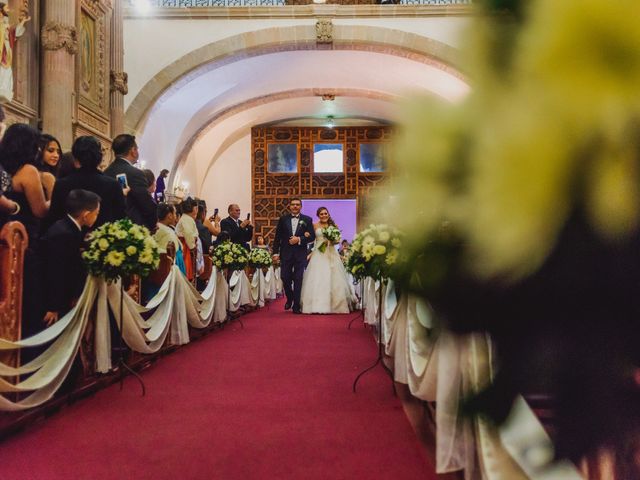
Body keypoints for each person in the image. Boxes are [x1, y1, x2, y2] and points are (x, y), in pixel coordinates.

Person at [42, 189, 100, 326]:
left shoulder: (68, 227)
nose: (97, 216)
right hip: (54, 299)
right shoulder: (65, 234)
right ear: (86, 215)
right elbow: (56, 271)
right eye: (96, 213)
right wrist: (53, 307)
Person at [45, 136, 125, 231]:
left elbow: (54, 218)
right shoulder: (112, 185)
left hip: (69, 241)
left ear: (75, 157)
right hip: (103, 241)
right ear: (100, 157)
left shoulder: (61, 184)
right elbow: (120, 218)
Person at [300, 207, 356, 314]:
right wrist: (306, 235)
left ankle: (336, 305)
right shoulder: (314, 225)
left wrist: (332, 240)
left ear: (328, 214)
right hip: (319, 253)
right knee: (319, 277)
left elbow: (337, 242)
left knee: (334, 278)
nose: (324, 215)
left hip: (331, 254)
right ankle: (317, 305)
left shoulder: (334, 227)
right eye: (321, 214)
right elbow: (312, 238)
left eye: (325, 213)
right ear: (318, 215)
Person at [272, 197, 315, 314]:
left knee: (298, 279)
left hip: (300, 254)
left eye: (297, 204)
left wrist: (299, 239)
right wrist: (275, 253)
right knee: (285, 277)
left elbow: (312, 237)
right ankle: (290, 297)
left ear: (301, 206)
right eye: (293, 204)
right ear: (290, 206)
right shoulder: (283, 219)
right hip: (285, 253)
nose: (295, 206)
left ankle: (296, 305)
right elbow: (277, 238)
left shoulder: (307, 219)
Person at [104, 134, 156, 228]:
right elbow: (146, 205)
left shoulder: (106, 172)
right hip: (132, 230)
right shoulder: (136, 173)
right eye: (137, 149)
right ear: (133, 151)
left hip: (111, 228)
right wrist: (152, 225)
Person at [0, 3, 30, 103]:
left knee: (7, 71)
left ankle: (4, 90)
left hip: (6, 51)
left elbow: (15, 33)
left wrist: (22, 22)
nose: (8, 10)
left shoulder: (7, 27)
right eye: (6, 8)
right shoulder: (2, 25)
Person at [154, 202, 186, 275]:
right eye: (175, 214)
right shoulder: (165, 231)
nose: (176, 216)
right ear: (170, 215)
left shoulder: (165, 229)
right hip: (170, 266)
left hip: (176, 260)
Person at [176, 197, 199, 281]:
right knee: (186, 269)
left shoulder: (187, 218)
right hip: (185, 246)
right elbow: (188, 234)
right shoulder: (187, 219)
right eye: (196, 208)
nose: (197, 210)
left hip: (186, 244)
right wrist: (192, 247)